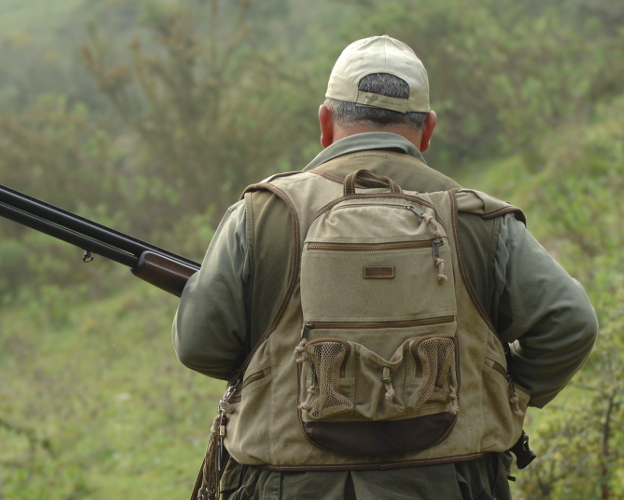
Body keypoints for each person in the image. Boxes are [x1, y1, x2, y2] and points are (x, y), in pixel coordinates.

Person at [173, 35, 597, 500]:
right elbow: (570, 322)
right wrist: (504, 389)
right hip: (452, 482)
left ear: (325, 122)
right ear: (428, 129)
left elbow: (201, 346)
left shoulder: (261, 214)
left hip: (286, 483)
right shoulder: (477, 220)